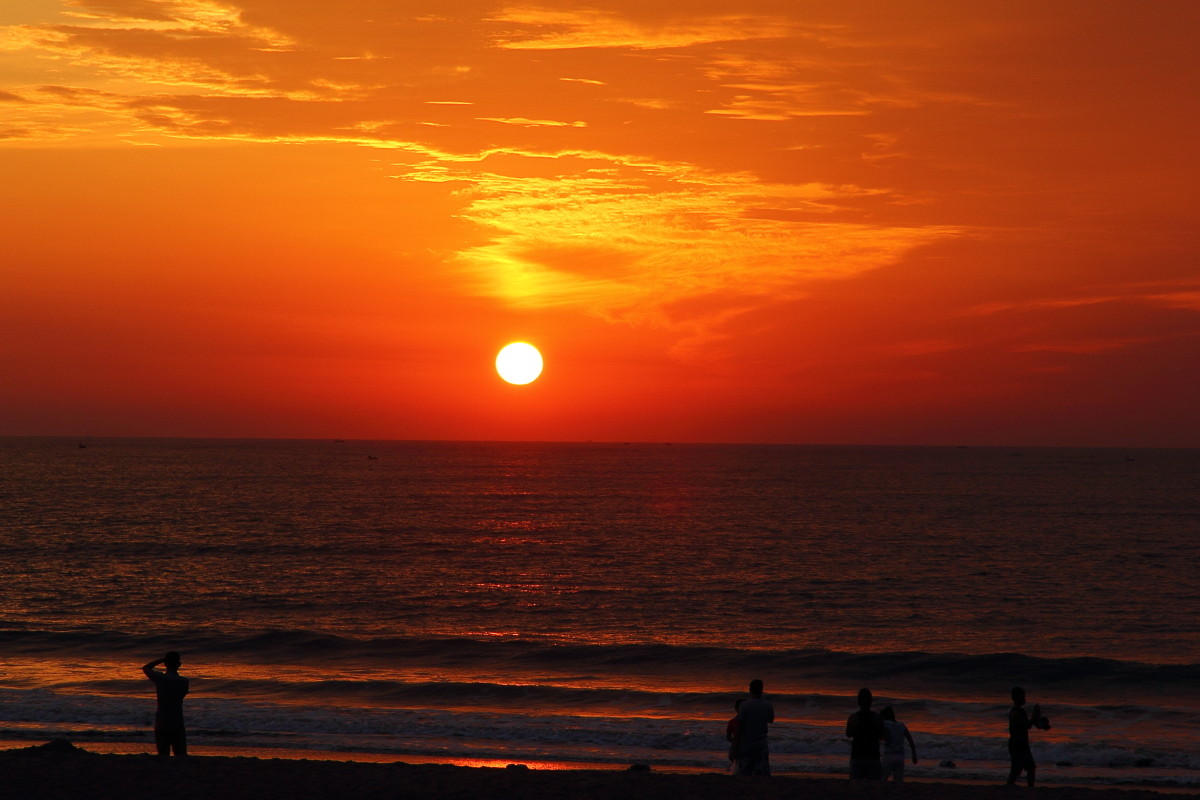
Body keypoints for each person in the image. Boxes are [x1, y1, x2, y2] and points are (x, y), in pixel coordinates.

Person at [142, 651, 190, 757]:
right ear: (179, 665)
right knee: (181, 755)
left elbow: (146, 668)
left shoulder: (161, 679)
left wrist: (161, 660)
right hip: (177, 721)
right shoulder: (184, 682)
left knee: (163, 755)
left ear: (165, 664)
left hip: (162, 721)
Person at [734, 679, 775, 776]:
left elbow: (739, 725)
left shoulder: (744, 705)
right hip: (761, 742)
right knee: (762, 771)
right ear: (761, 690)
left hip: (747, 742)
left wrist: (736, 743)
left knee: (745, 770)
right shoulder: (768, 705)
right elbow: (771, 720)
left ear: (750, 690)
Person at [1007, 686, 1046, 787]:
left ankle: (1030, 788)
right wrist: (1034, 714)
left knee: (1030, 767)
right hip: (1017, 745)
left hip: (1022, 745)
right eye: (1022, 697)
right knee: (1016, 771)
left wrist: (1041, 723)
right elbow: (1027, 725)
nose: (1025, 699)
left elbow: (1029, 724)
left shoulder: (1020, 711)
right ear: (1016, 698)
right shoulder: (1015, 713)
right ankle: (1008, 788)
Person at [845, 687, 886, 779]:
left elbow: (848, 734)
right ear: (871, 701)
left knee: (856, 784)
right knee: (875, 785)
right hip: (873, 756)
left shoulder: (854, 717)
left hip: (857, 756)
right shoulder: (877, 718)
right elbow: (883, 736)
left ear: (859, 702)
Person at [880, 705, 918, 782]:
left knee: (882, 779)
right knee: (898, 781)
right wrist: (914, 755)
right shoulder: (902, 725)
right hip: (900, 757)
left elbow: (885, 737)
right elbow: (910, 740)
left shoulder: (886, 724)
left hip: (889, 756)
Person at [726, 698, 744, 774]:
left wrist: (734, 742)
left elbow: (728, 737)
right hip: (742, 744)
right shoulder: (733, 722)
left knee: (734, 759)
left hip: (738, 744)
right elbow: (728, 736)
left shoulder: (732, 722)